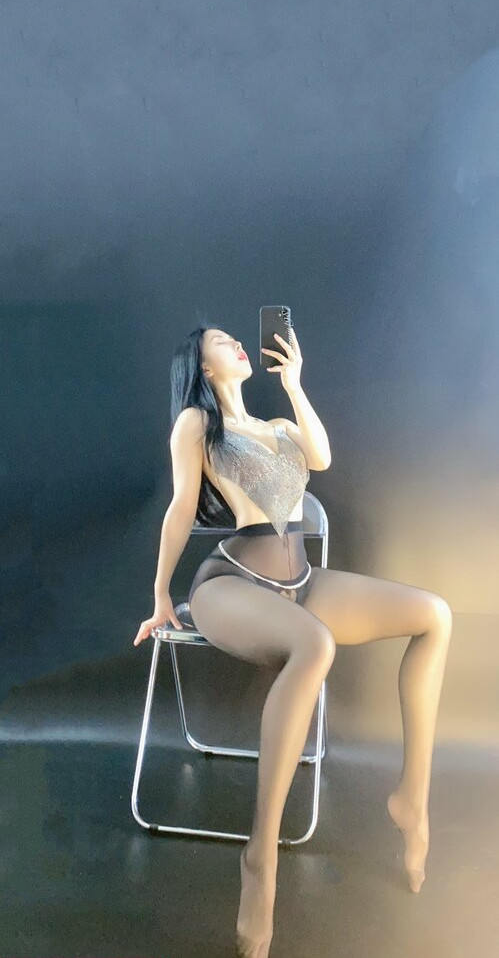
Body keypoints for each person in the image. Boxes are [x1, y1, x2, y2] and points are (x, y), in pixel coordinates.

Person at [133, 321, 453, 958]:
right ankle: (261, 857)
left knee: (435, 615)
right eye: (221, 341)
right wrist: (162, 594)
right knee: (316, 646)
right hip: (229, 583)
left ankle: (412, 799)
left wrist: (296, 384)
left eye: (235, 338)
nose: (236, 344)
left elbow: (321, 457)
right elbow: (181, 507)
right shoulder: (197, 424)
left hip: (300, 583)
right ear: (201, 366)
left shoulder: (279, 426)